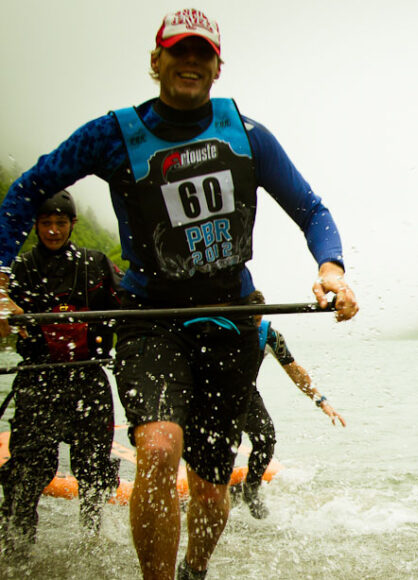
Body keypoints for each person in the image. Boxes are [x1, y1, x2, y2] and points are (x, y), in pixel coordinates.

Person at [0, 9, 358, 579]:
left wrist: (331, 268)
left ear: (218, 67)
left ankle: (194, 569)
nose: (190, 63)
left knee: (213, 486)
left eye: (203, 55)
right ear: (155, 61)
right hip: (150, 317)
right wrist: (0, 280)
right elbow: (29, 188)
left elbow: (311, 209)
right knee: (160, 449)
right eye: (179, 52)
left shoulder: (248, 134)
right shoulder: (113, 135)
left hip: (231, 319)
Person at [0, 191, 122, 553]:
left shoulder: (96, 263)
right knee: (27, 471)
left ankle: (92, 546)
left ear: (73, 225)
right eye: (45, 224)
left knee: (95, 470)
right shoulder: (19, 268)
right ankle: (17, 548)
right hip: (39, 379)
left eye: (61, 223)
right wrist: (7, 310)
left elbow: (128, 306)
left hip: (87, 379)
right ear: (35, 226)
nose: (53, 231)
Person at [238, 290, 344, 520]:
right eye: (249, 319)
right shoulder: (222, 328)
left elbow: (295, 371)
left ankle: (251, 489)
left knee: (265, 438)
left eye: (257, 319)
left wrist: (320, 400)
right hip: (215, 395)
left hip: (246, 394)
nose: (253, 324)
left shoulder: (269, 335)